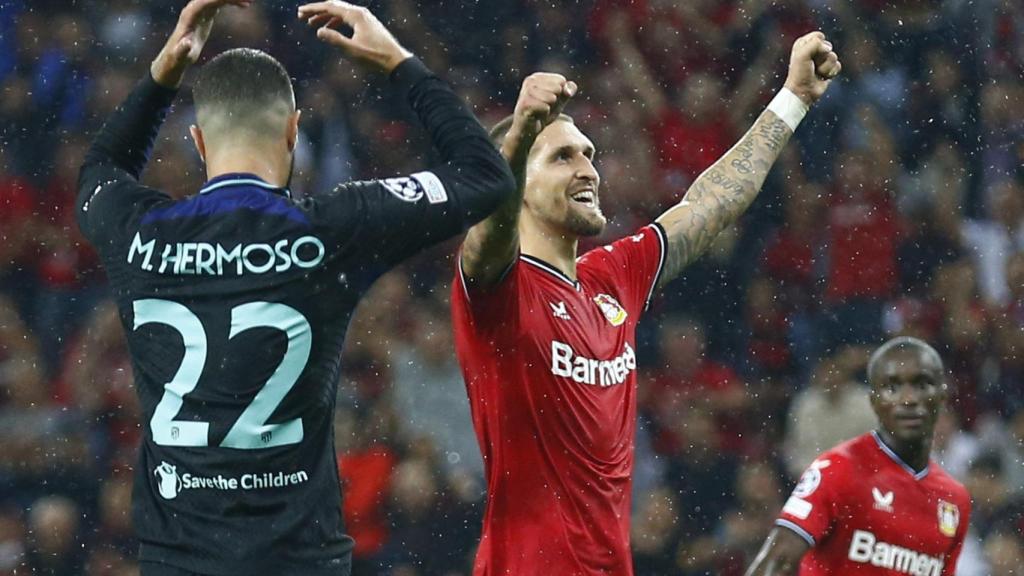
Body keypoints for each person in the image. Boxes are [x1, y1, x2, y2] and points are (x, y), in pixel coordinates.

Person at [75, 0, 515, 574]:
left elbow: (100, 172)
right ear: (292, 129)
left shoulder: (141, 234)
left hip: (178, 561)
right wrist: (397, 60)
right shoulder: (333, 229)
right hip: (301, 559)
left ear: (199, 142)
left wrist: (167, 70)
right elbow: (485, 176)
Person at [451, 31, 842, 574]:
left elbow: (709, 203)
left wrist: (793, 97)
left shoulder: (612, 278)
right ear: (514, 182)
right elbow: (488, 233)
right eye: (562, 157)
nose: (588, 169)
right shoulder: (500, 290)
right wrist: (519, 135)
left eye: (588, 154)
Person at [744, 337, 972, 575]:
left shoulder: (954, 500)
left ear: (942, 396)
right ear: (874, 400)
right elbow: (778, 560)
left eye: (921, 384)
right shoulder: (837, 469)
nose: (908, 399)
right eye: (892, 387)